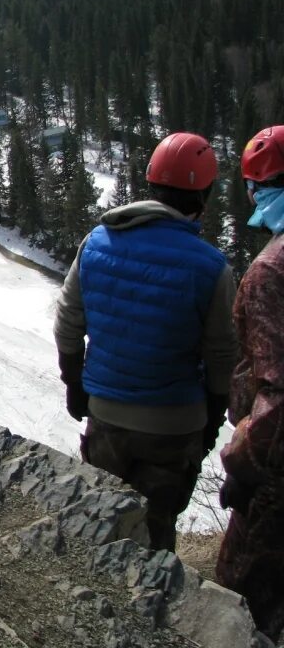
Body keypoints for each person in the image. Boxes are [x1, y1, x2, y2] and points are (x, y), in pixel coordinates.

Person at [53, 132, 237, 551]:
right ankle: (153, 606)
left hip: (106, 416)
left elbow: (67, 321)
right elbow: (221, 353)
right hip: (174, 424)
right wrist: (212, 414)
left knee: (102, 520)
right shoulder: (211, 268)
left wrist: (75, 384)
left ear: (151, 182)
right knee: (155, 530)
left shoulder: (97, 243)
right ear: (203, 197)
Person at [216, 124, 284, 642]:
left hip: (275, 469)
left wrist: (243, 465)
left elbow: (277, 395)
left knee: (239, 597)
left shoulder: (270, 273)